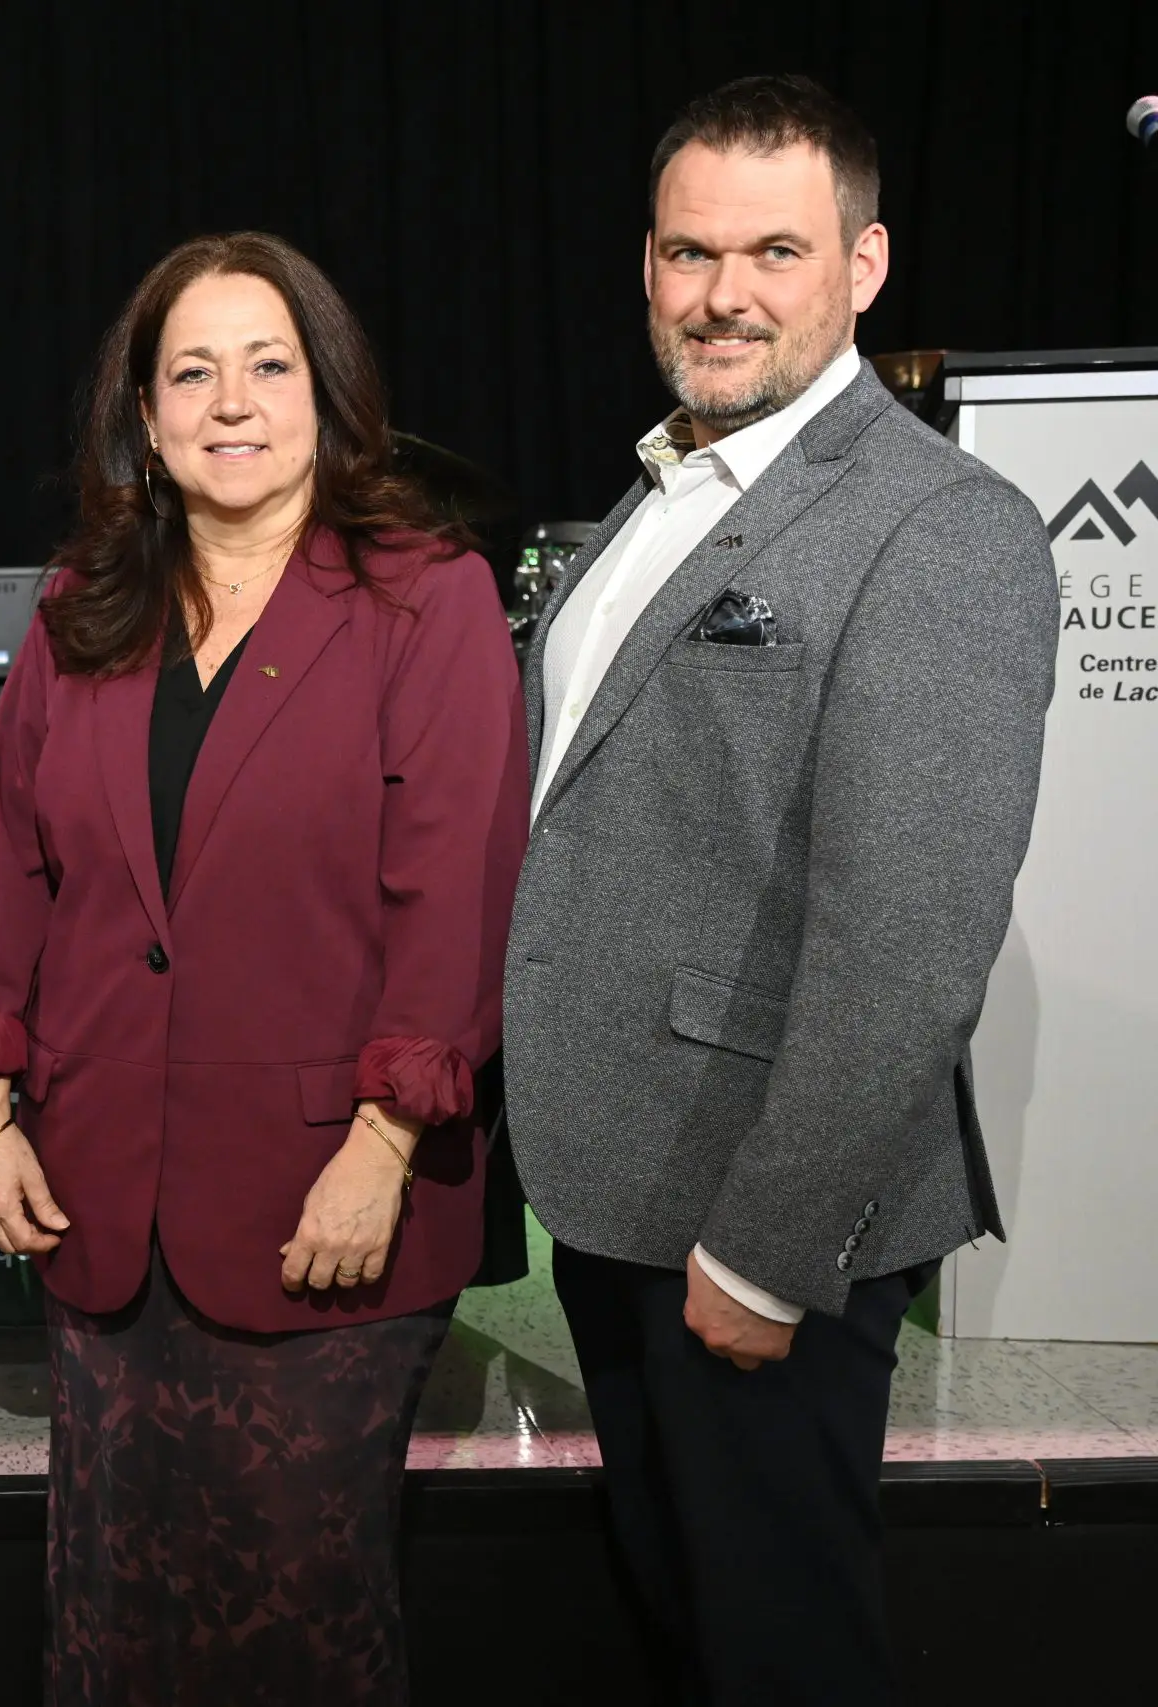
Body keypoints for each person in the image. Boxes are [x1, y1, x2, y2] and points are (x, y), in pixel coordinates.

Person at [503, 75, 1059, 1704]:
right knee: (688, 1628)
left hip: (758, 1216)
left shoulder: (940, 527)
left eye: (775, 252)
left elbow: (909, 941)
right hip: (624, 1190)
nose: (723, 294)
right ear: (647, 265)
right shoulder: (668, 487)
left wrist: (769, 1250)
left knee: (782, 1653)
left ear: (864, 266)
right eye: (691, 252)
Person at [0, 232, 529, 1704]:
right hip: (101, 1197)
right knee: (111, 1613)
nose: (232, 401)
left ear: (330, 394)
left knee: (296, 1621)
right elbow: (12, 868)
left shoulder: (424, 598)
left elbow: (455, 896)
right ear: (144, 414)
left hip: (329, 1203)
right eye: (192, 372)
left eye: (269, 364)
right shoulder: (84, 604)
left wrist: (384, 1146)